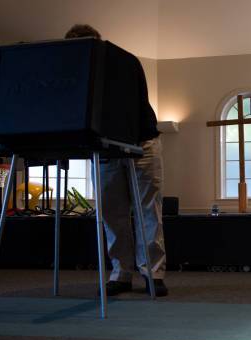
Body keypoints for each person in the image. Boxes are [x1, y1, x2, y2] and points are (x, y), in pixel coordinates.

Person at [65, 24, 168, 296]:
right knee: (112, 213)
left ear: (98, 46)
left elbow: (130, 106)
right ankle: (121, 273)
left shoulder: (124, 62)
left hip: (141, 142)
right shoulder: (76, 71)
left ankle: (152, 273)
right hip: (106, 147)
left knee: (149, 210)